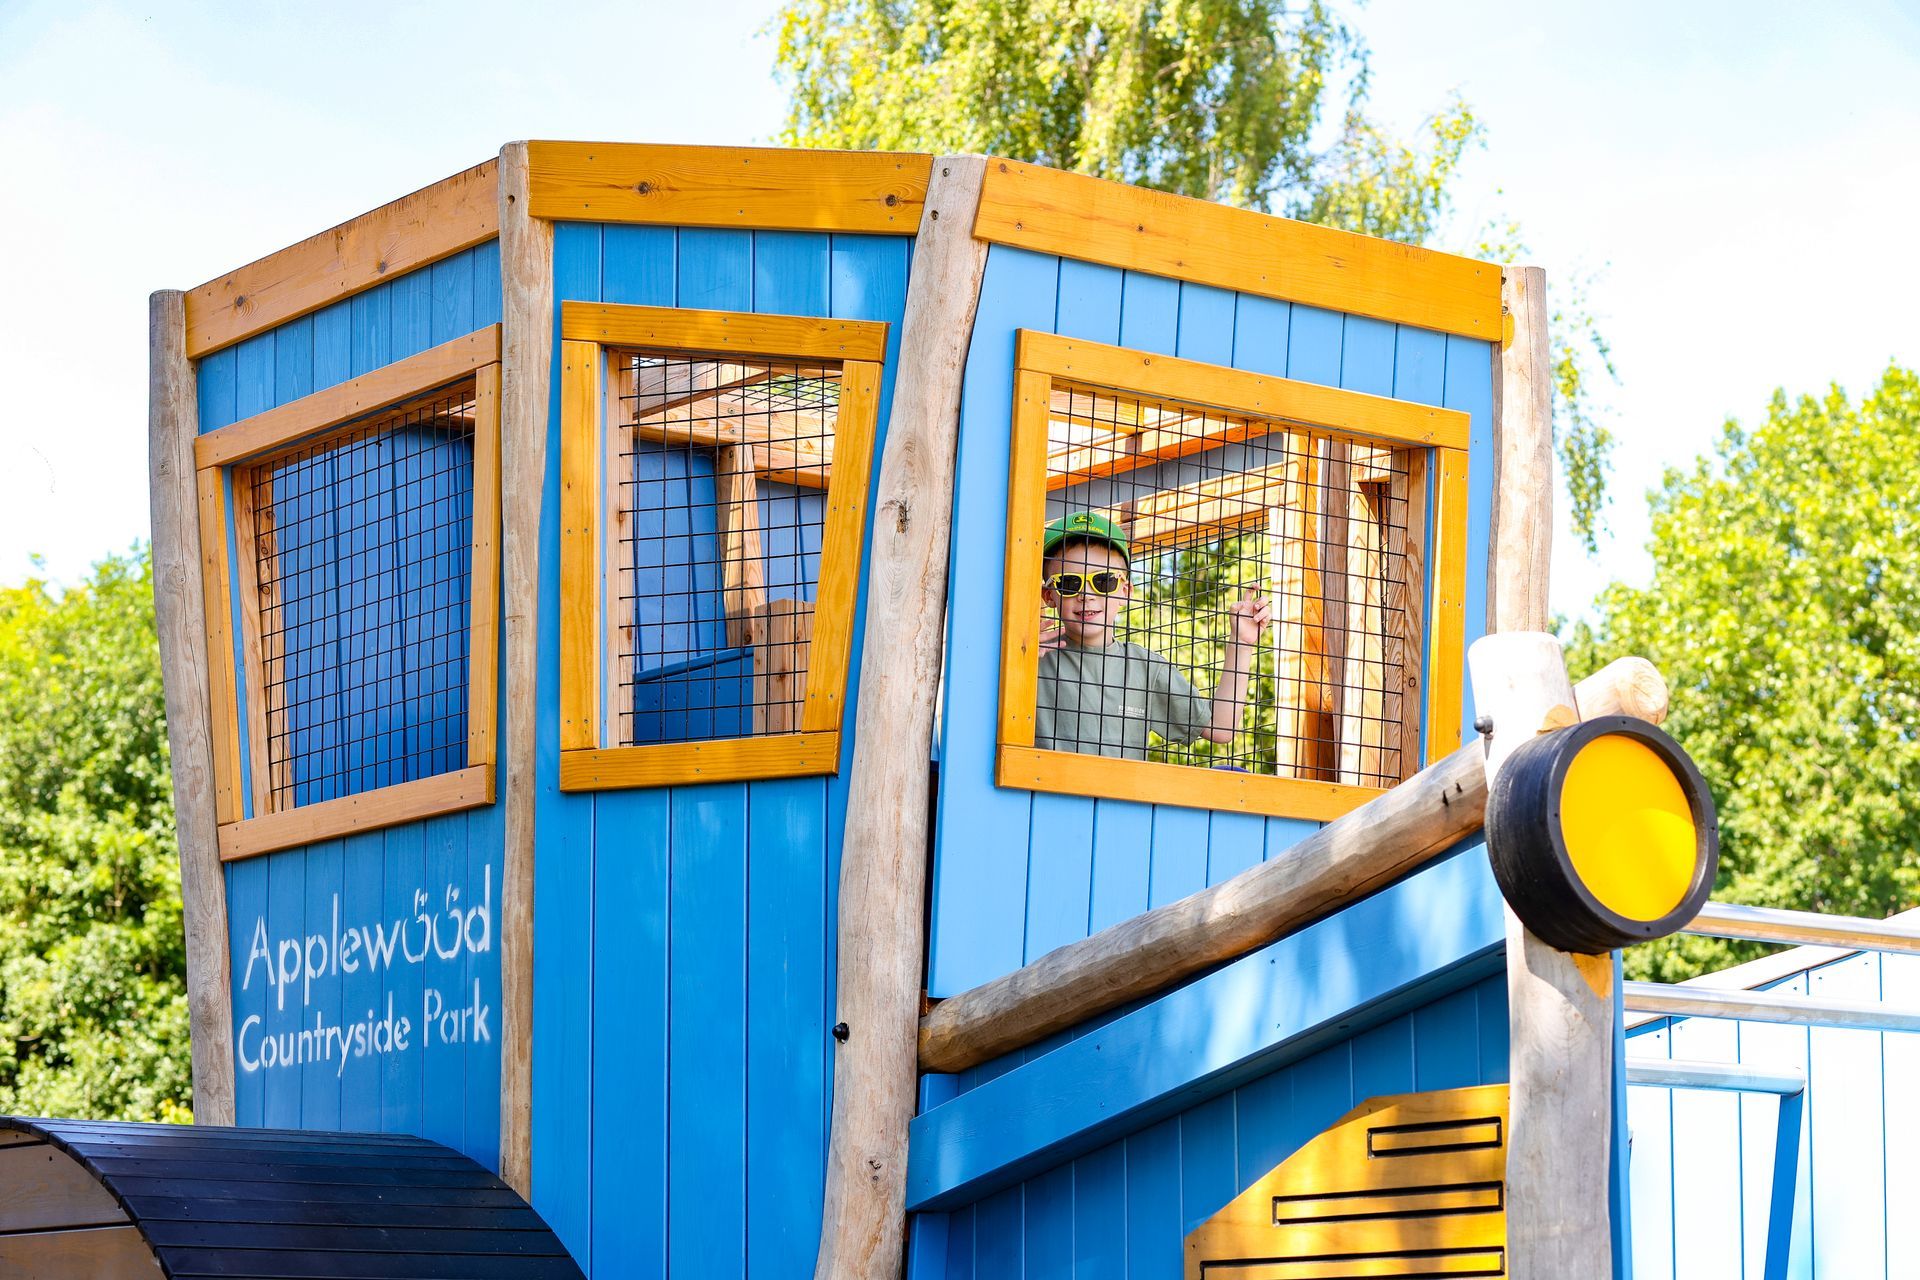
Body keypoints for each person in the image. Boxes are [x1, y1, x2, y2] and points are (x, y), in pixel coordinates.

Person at [1034, 511, 1271, 761]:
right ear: (1049, 595)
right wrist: (1016, 658)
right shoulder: (1032, 656)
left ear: (1125, 591)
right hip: (1043, 797)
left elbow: (1221, 727)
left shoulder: (1145, 667)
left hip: (1118, 799)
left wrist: (1241, 643)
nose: (1087, 594)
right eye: (1069, 583)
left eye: (1103, 581)